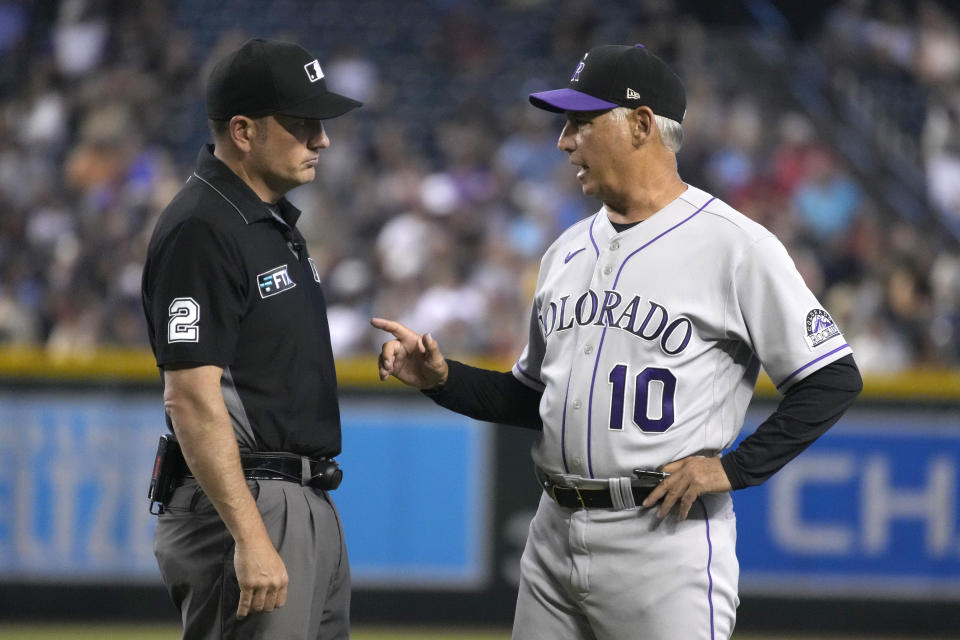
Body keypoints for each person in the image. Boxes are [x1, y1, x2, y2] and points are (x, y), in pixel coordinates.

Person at [372, 44, 862, 640]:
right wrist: (444, 381)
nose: (564, 141)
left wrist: (734, 469)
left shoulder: (736, 247)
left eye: (581, 122)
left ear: (642, 124)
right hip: (551, 535)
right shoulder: (566, 251)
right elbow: (534, 400)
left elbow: (832, 377)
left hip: (662, 540)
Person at [141, 38, 361, 639]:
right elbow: (188, 396)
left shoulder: (266, 223)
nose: (322, 139)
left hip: (303, 497)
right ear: (243, 130)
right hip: (249, 502)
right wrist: (250, 535)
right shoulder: (201, 226)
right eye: (303, 123)